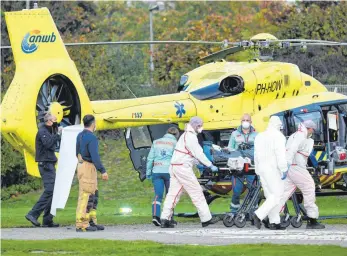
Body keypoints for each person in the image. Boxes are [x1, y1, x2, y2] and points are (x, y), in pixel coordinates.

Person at [160, 116, 220, 228]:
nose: (201, 128)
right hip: (183, 168)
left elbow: (189, 154)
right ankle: (206, 218)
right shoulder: (191, 137)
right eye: (200, 125)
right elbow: (198, 153)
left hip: (175, 167)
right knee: (197, 192)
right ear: (197, 125)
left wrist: (199, 163)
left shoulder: (184, 136)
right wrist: (210, 165)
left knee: (173, 194)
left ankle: (165, 218)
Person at [279, 120, 325, 229]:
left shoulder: (295, 135)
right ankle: (312, 219)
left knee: (284, 193)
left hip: (291, 168)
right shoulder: (301, 136)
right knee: (309, 187)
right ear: (309, 128)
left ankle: (270, 216)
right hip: (297, 167)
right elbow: (293, 150)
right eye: (312, 130)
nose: (313, 132)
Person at [25, 113, 62, 227]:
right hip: (45, 164)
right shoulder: (42, 132)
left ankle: (47, 219)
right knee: (50, 190)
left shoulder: (49, 131)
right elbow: (48, 144)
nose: (57, 122)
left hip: (49, 164)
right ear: (49, 121)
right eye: (55, 120)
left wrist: (57, 133)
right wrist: (58, 134)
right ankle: (33, 214)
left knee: (53, 191)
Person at [253, 116, 288, 230]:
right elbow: (280, 155)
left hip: (262, 169)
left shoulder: (259, 136)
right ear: (278, 125)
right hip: (273, 169)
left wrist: (257, 169)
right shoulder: (279, 137)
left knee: (270, 196)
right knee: (277, 195)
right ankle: (259, 215)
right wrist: (283, 168)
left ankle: (274, 222)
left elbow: (256, 155)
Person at [75, 114, 109, 232]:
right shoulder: (92, 138)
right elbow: (95, 156)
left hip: (81, 166)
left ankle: (91, 221)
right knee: (87, 195)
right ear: (93, 124)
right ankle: (82, 224)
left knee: (93, 194)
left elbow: (77, 153)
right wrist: (102, 170)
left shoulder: (79, 135)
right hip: (88, 166)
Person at [146, 127, 180, 226]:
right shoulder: (175, 144)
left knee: (158, 195)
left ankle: (155, 216)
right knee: (170, 196)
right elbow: (178, 159)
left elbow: (150, 158)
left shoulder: (156, 142)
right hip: (169, 172)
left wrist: (148, 172)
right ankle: (169, 218)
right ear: (176, 135)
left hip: (157, 171)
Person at [227, 114, 258, 215]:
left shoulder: (256, 134)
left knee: (253, 190)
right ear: (241, 121)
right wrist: (238, 150)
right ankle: (234, 211)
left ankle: (253, 212)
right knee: (236, 191)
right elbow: (230, 148)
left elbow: (259, 150)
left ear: (251, 122)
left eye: (247, 120)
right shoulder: (234, 134)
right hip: (238, 166)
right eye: (243, 120)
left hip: (251, 167)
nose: (245, 121)